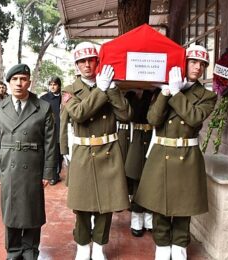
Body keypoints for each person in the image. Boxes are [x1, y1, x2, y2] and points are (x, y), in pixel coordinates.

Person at [134, 45, 217, 260]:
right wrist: (165, 92)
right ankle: (162, 246)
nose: (198, 67)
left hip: (187, 155)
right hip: (161, 152)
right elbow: (153, 119)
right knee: (159, 204)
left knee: (184, 205)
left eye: (202, 64)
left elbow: (194, 118)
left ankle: (179, 247)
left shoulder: (207, 95)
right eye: (193, 62)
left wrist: (177, 93)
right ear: (183, 62)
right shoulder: (164, 88)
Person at [61, 42, 131, 260]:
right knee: (82, 205)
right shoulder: (69, 90)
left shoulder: (111, 86)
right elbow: (79, 114)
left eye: (91, 60)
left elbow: (126, 115)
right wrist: (101, 90)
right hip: (83, 151)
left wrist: (110, 89)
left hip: (109, 150)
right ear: (76, 65)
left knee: (106, 204)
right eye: (82, 61)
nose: (87, 65)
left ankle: (99, 245)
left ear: (98, 62)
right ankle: (83, 244)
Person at [0, 64, 57, 259]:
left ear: (29, 82)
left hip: (33, 166)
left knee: (32, 210)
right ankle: (13, 250)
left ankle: (30, 251)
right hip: (8, 165)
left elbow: (50, 143)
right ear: (9, 83)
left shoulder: (43, 107)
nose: (19, 83)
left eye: (23, 79)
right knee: (11, 210)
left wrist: (48, 172)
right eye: (14, 79)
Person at [123, 89, 155, 237]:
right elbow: (136, 115)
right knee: (137, 183)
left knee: (152, 184)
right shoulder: (130, 95)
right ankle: (137, 220)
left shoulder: (161, 93)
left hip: (154, 139)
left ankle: (149, 219)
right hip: (137, 139)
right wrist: (140, 94)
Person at [41, 76, 63, 185]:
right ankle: (51, 175)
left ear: (59, 85)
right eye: (51, 84)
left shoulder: (64, 97)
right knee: (50, 153)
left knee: (59, 153)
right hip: (49, 130)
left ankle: (56, 174)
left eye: (55, 84)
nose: (52, 86)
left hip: (61, 129)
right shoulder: (44, 98)